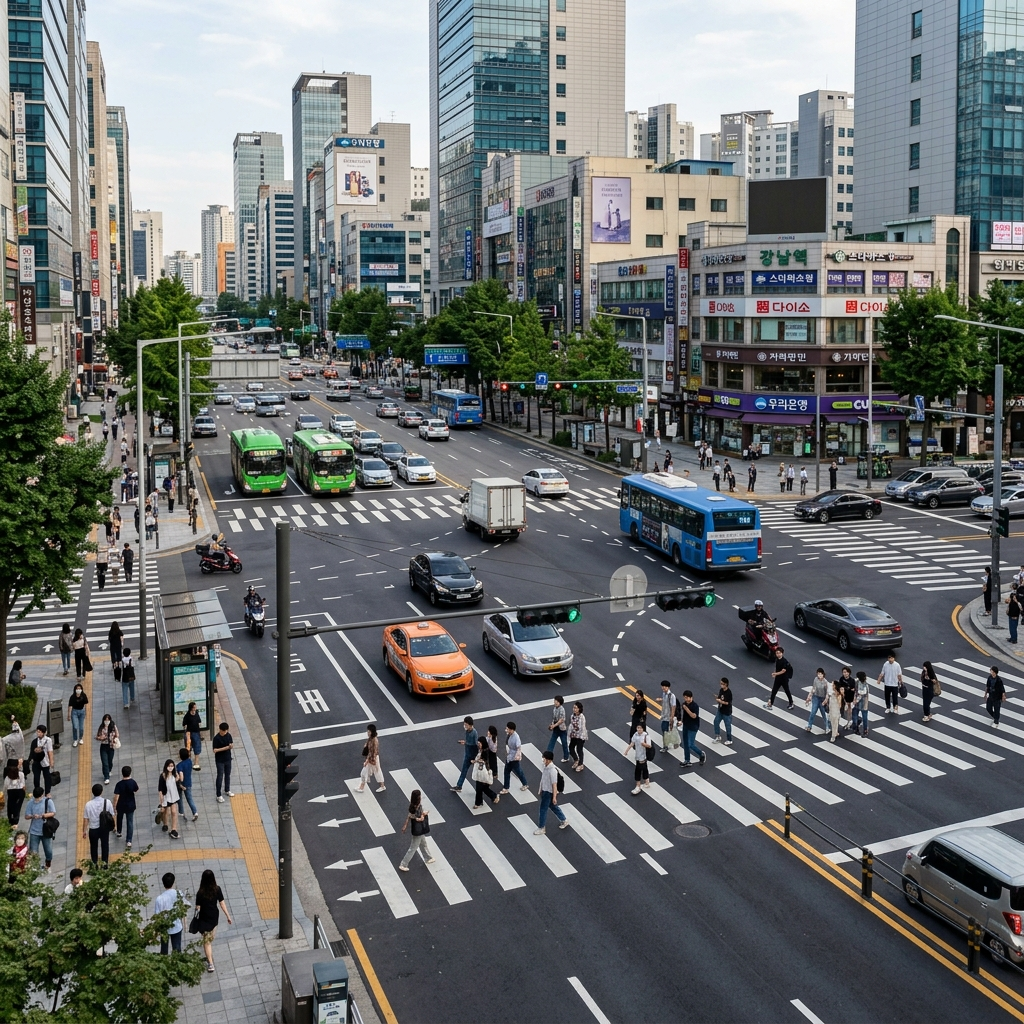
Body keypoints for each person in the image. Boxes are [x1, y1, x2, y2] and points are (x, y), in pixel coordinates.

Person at [194, 869, 232, 972]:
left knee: (207, 942)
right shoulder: (217, 889)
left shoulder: (200, 893)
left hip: (204, 918)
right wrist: (228, 916)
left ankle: (210, 963)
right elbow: (222, 903)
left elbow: (198, 907)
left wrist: (196, 918)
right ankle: (210, 961)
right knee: (209, 940)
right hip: (214, 918)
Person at [398, 790, 435, 872]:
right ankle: (403, 864)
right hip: (418, 829)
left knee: (423, 843)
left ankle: (428, 858)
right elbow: (419, 819)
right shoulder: (418, 807)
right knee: (413, 848)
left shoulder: (412, 806)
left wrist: (405, 825)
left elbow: (410, 816)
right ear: (418, 798)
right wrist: (424, 814)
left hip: (417, 829)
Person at [154, 872, 190, 954]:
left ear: (163, 884)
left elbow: (157, 916)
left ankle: (164, 960)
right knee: (177, 950)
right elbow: (185, 906)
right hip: (176, 926)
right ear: (173, 882)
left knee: (164, 950)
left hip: (164, 927)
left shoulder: (159, 898)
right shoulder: (179, 894)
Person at [534, 750, 568, 835]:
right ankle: (564, 820)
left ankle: (541, 827)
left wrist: (554, 797)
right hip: (545, 791)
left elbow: (554, 785)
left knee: (543, 810)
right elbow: (543, 779)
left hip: (548, 793)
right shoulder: (546, 767)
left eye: (544, 758)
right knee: (553, 807)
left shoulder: (552, 771)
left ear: (549, 760)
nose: (543, 760)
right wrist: (540, 789)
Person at [25, 785, 55, 871]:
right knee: (33, 851)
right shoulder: (30, 803)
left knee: (48, 850)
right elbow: (26, 816)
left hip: (46, 830)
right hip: (34, 831)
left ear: (42, 795)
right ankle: (35, 867)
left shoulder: (48, 801)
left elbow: (53, 813)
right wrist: (32, 816)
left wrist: (43, 816)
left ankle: (48, 863)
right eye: (35, 798)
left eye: (38, 798)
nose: (37, 800)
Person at [113, 764, 138, 850]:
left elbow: (116, 796)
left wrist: (114, 806)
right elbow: (136, 790)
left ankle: (119, 831)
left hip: (120, 805)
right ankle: (129, 840)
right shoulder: (133, 782)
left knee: (119, 818)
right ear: (130, 773)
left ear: (122, 773)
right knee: (130, 822)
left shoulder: (119, 784)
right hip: (130, 805)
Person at [499, 722, 529, 793]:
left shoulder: (516, 737)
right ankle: (506, 787)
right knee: (507, 771)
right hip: (510, 757)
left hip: (514, 758)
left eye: (508, 729)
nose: (507, 730)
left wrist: (517, 756)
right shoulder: (509, 735)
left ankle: (524, 783)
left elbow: (519, 748)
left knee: (518, 771)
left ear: (512, 730)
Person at [679, 690, 707, 766]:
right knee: (685, 743)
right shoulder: (684, 704)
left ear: (691, 697)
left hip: (693, 727)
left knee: (690, 744)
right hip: (686, 725)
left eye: (687, 697)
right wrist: (681, 721)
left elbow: (694, 716)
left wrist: (686, 709)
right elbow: (685, 715)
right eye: (685, 697)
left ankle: (701, 754)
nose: (686, 699)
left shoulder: (695, 706)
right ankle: (687, 760)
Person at [451, 717, 478, 792]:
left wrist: (466, 743)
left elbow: (476, 744)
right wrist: (465, 742)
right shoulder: (467, 731)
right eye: (464, 724)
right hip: (467, 754)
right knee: (464, 771)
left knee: (477, 772)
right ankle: (459, 785)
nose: (464, 726)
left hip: (473, 755)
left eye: (466, 725)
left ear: (470, 725)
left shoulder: (474, 733)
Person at [624, 720, 651, 794]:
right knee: (644, 768)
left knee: (638, 770)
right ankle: (646, 781)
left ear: (643, 729)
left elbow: (649, 745)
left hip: (643, 755)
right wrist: (627, 750)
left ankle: (638, 786)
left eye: (640, 728)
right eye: (638, 728)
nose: (639, 729)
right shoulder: (635, 735)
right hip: (637, 755)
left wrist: (644, 744)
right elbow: (632, 743)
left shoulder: (645, 735)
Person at [472, 737, 500, 808]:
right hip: (480, 773)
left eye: (479, 743)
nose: (478, 745)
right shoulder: (481, 750)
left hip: (484, 773)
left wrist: (476, 761)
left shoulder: (486, 752)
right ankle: (481, 801)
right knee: (481, 788)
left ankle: (479, 802)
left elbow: (485, 761)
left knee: (481, 788)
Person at [357, 723, 385, 793]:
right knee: (377, 771)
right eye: (368, 731)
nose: (368, 733)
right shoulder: (371, 738)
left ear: (372, 732)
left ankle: (361, 787)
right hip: (373, 758)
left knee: (364, 772)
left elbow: (373, 753)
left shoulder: (374, 741)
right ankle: (382, 786)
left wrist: (367, 761)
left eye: (369, 731)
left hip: (372, 759)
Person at [158, 759, 180, 839]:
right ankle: (165, 823)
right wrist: (161, 801)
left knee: (174, 812)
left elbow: (177, 782)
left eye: (172, 766)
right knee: (166, 812)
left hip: (173, 796)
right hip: (166, 797)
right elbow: (160, 789)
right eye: (169, 766)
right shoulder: (163, 776)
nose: (170, 767)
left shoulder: (175, 774)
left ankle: (174, 829)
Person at [212, 722, 234, 802]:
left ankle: (227, 790)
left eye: (226, 731)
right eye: (223, 731)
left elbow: (231, 744)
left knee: (227, 775)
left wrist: (230, 746)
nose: (224, 732)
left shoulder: (228, 735)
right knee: (220, 776)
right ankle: (218, 795)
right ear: (220, 730)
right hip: (220, 760)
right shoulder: (216, 738)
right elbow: (215, 750)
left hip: (228, 758)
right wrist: (226, 748)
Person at [29, 724, 53, 795]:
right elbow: (31, 753)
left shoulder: (48, 740)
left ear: (43, 733)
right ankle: (38, 793)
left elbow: (50, 751)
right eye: (37, 731)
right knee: (36, 779)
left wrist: (51, 761)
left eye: (39, 732)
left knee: (47, 778)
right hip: (36, 763)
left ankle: (47, 792)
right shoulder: (34, 741)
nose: (38, 733)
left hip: (45, 762)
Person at [805, 668, 831, 733]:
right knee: (813, 712)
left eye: (821, 674)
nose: (819, 675)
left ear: (823, 674)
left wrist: (826, 700)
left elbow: (827, 692)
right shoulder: (815, 679)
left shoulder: (825, 682)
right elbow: (813, 688)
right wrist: (809, 697)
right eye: (818, 674)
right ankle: (809, 726)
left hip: (822, 699)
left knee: (823, 714)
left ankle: (827, 727)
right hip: (816, 697)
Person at [545, 695, 570, 762]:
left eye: (557, 701)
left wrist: (554, 725)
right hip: (556, 728)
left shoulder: (562, 709)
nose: (555, 702)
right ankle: (547, 757)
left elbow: (561, 720)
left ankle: (566, 757)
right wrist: (551, 725)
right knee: (551, 743)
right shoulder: (554, 709)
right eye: (555, 701)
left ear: (560, 703)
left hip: (562, 729)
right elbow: (554, 719)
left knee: (564, 743)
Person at [177, 747, 198, 823]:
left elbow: (181, 776)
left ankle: (181, 812)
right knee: (189, 799)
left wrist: (180, 781)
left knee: (179, 798)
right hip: (188, 783)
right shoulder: (189, 762)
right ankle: (195, 812)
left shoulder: (179, 765)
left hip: (181, 784)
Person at [96, 714, 118, 784]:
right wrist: (101, 738)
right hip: (103, 746)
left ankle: (109, 770)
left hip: (111, 746)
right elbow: (97, 736)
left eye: (108, 720)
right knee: (105, 762)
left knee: (109, 761)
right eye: (105, 720)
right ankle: (106, 777)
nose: (107, 721)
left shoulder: (113, 726)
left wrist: (115, 738)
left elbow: (117, 734)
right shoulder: (101, 727)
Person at [4, 759, 26, 827]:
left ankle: (11, 820)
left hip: (11, 792)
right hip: (20, 792)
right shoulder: (21, 774)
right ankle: (15, 820)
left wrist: (4, 795)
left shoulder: (8, 777)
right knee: (17, 807)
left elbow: (5, 787)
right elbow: (23, 785)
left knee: (10, 806)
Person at [66, 682, 89, 748]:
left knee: (81, 728)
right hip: (74, 712)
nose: (78, 690)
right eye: (77, 689)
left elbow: (86, 704)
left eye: (79, 688)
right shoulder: (72, 697)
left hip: (82, 712)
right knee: (75, 727)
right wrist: (69, 715)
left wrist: (86, 713)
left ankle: (80, 738)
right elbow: (70, 706)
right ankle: (75, 739)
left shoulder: (83, 696)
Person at [568, 701, 588, 772]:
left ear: (579, 709)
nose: (574, 709)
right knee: (571, 748)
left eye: (576, 708)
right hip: (574, 735)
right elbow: (571, 725)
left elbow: (582, 727)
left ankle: (581, 764)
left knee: (579, 750)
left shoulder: (582, 717)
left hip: (580, 736)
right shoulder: (572, 716)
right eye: (574, 708)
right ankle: (576, 760)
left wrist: (580, 737)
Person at [713, 677, 733, 745]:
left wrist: (720, 701)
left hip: (727, 712)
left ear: (726, 684)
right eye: (720, 683)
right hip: (720, 710)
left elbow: (727, 703)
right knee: (716, 722)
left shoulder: (729, 693)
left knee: (727, 726)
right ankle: (718, 736)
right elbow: (720, 697)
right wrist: (717, 698)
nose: (721, 685)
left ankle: (729, 739)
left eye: (722, 684)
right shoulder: (721, 690)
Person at [182, 701, 202, 771]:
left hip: (196, 732)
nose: (195, 708)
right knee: (188, 747)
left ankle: (196, 763)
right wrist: (185, 728)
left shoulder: (196, 713)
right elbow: (184, 723)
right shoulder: (187, 715)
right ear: (191, 708)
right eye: (194, 707)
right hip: (189, 733)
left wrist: (199, 724)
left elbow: (199, 720)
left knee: (197, 747)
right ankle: (189, 762)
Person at [853, 671, 871, 736]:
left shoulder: (864, 685)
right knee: (859, 717)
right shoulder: (857, 682)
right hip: (862, 703)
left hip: (862, 703)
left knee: (862, 717)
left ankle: (864, 729)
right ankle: (858, 728)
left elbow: (861, 694)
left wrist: (855, 700)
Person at [827, 678, 844, 742]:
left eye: (833, 685)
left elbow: (839, 704)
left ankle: (833, 736)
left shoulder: (838, 694)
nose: (832, 686)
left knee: (835, 722)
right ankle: (835, 732)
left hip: (835, 710)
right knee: (833, 722)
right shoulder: (832, 692)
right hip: (831, 709)